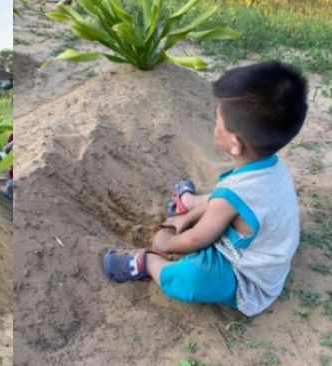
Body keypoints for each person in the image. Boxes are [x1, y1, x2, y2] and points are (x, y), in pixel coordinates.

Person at [103, 61, 308, 317]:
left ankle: (147, 263)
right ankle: (188, 203)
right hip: (267, 255)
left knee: (192, 279)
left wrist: (166, 242)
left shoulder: (232, 194)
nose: (215, 125)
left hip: (247, 278)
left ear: (235, 144)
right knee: (224, 201)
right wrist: (187, 217)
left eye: (217, 121)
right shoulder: (272, 168)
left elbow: (196, 239)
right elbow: (230, 201)